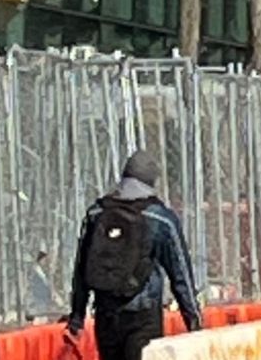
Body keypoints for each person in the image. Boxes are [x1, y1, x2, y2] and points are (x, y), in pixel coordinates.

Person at [64, 150, 204, 360]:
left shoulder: (96, 213)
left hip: (105, 314)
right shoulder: (160, 218)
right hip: (143, 317)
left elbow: (82, 268)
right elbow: (180, 272)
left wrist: (77, 317)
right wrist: (194, 319)